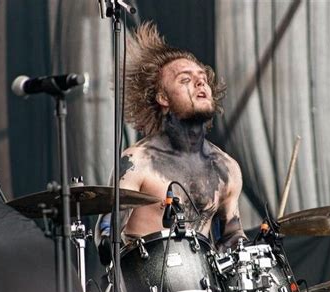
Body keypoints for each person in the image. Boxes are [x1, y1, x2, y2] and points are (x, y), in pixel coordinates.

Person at [96, 22, 246, 264]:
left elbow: (231, 236)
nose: (200, 84)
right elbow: (106, 231)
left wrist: (245, 251)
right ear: (163, 98)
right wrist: (108, 241)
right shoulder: (136, 162)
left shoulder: (227, 168)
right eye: (185, 79)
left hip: (202, 290)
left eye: (203, 78)